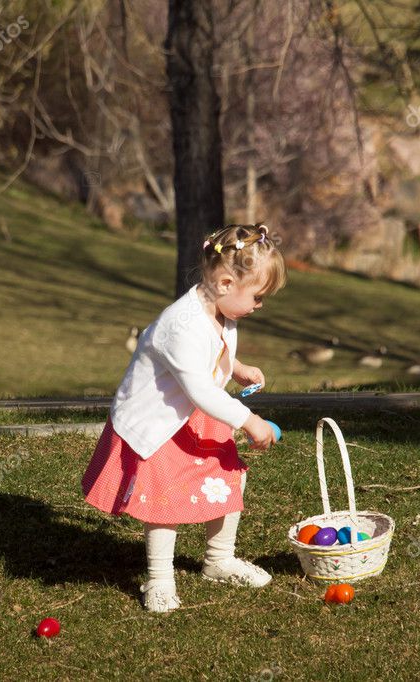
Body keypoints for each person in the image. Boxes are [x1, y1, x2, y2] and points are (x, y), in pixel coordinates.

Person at [81, 223, 288, 612]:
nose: (260, 305)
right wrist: (249, 420)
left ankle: (219, 559)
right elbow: (200, 388)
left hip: (193, 415)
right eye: (258, 297)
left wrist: (236, 366)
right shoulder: (181, 324)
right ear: (226, 282)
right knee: (163, 496)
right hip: (160, 423)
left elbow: (208, 357)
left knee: (226, 477)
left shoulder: (219, 310)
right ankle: (159, 579)